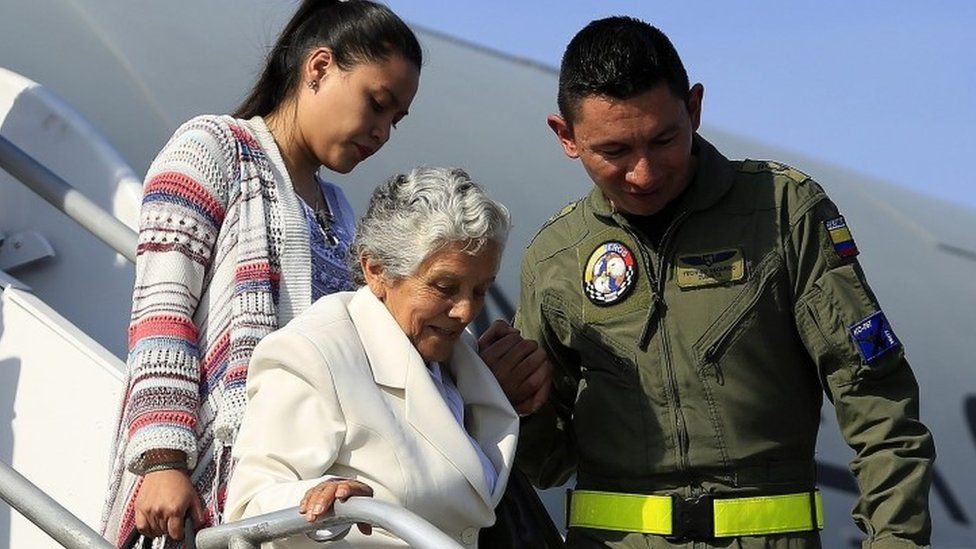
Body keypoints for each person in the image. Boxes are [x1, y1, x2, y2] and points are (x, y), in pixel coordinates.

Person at [514, 16, 935, 548]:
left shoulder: (783, 214)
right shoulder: (554, 258)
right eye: (614, 151)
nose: (643, 173)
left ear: (694, 108)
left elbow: (874, 394)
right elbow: (545, 463)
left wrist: (896, 539)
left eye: (663, 139)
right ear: (566, 137)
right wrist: (514, 406)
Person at [101, 2, 422, 546]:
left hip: (290, 497)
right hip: (199, 492)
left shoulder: (342, 213)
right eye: (377, 103)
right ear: (318, 68)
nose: (383, 132)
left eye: (396, 119)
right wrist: (163, 459)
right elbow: (162, 311)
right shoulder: (212, 150)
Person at [225, 167, 519, 548]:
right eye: (445, 287)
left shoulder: (462, 361)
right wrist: (321, 496)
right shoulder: (314, 354)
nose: (465, 311)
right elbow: (251, 509)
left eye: (480, 291)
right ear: (376, 270)